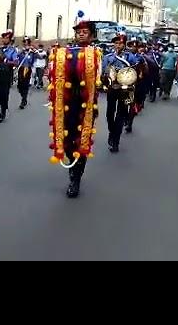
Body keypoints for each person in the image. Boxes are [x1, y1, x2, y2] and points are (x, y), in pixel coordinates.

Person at [50, 19, 100, 198]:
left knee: (82, 141)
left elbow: (98, 79)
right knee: (67, 139)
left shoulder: (95, 54)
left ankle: (76, 178)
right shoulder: (64, 53)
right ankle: (72, 163)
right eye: (78, 31)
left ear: (92, 36)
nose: (81, 34)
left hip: (84, 105)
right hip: (67, 104)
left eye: (85, 31)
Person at [103, 35, 140, 152]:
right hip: (112, 88)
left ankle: (115, 141)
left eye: (120, 43)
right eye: (116, 43)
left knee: (121, 115)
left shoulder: (131, 58)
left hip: (125, 89)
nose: (118, 45)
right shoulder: (108, 57)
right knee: (109, 114)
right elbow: (104, 71)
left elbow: (135, 72)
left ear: (124, 44)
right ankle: (111, 131)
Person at [0, 30, 19, 122]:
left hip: (7, 73)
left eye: (6, 38)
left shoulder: (13, 50)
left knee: (4, 92)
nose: (4, 39)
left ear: (10, 39)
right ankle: (3, 105)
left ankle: (3, 111)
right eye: (3, 37)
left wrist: (6, 61)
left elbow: (16, 62)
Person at [17, 37, 35, 109]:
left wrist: (34, 51)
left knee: (25, 84)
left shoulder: (32, 52)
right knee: (20, 85)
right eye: (24, 42)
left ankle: (23, 100)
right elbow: (17, 55)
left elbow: (40, 57)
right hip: (21, 68)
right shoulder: (21, 51)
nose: (26, 44)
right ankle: (23, 95)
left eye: (27, 42)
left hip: (28, 69)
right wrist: (22, 50)